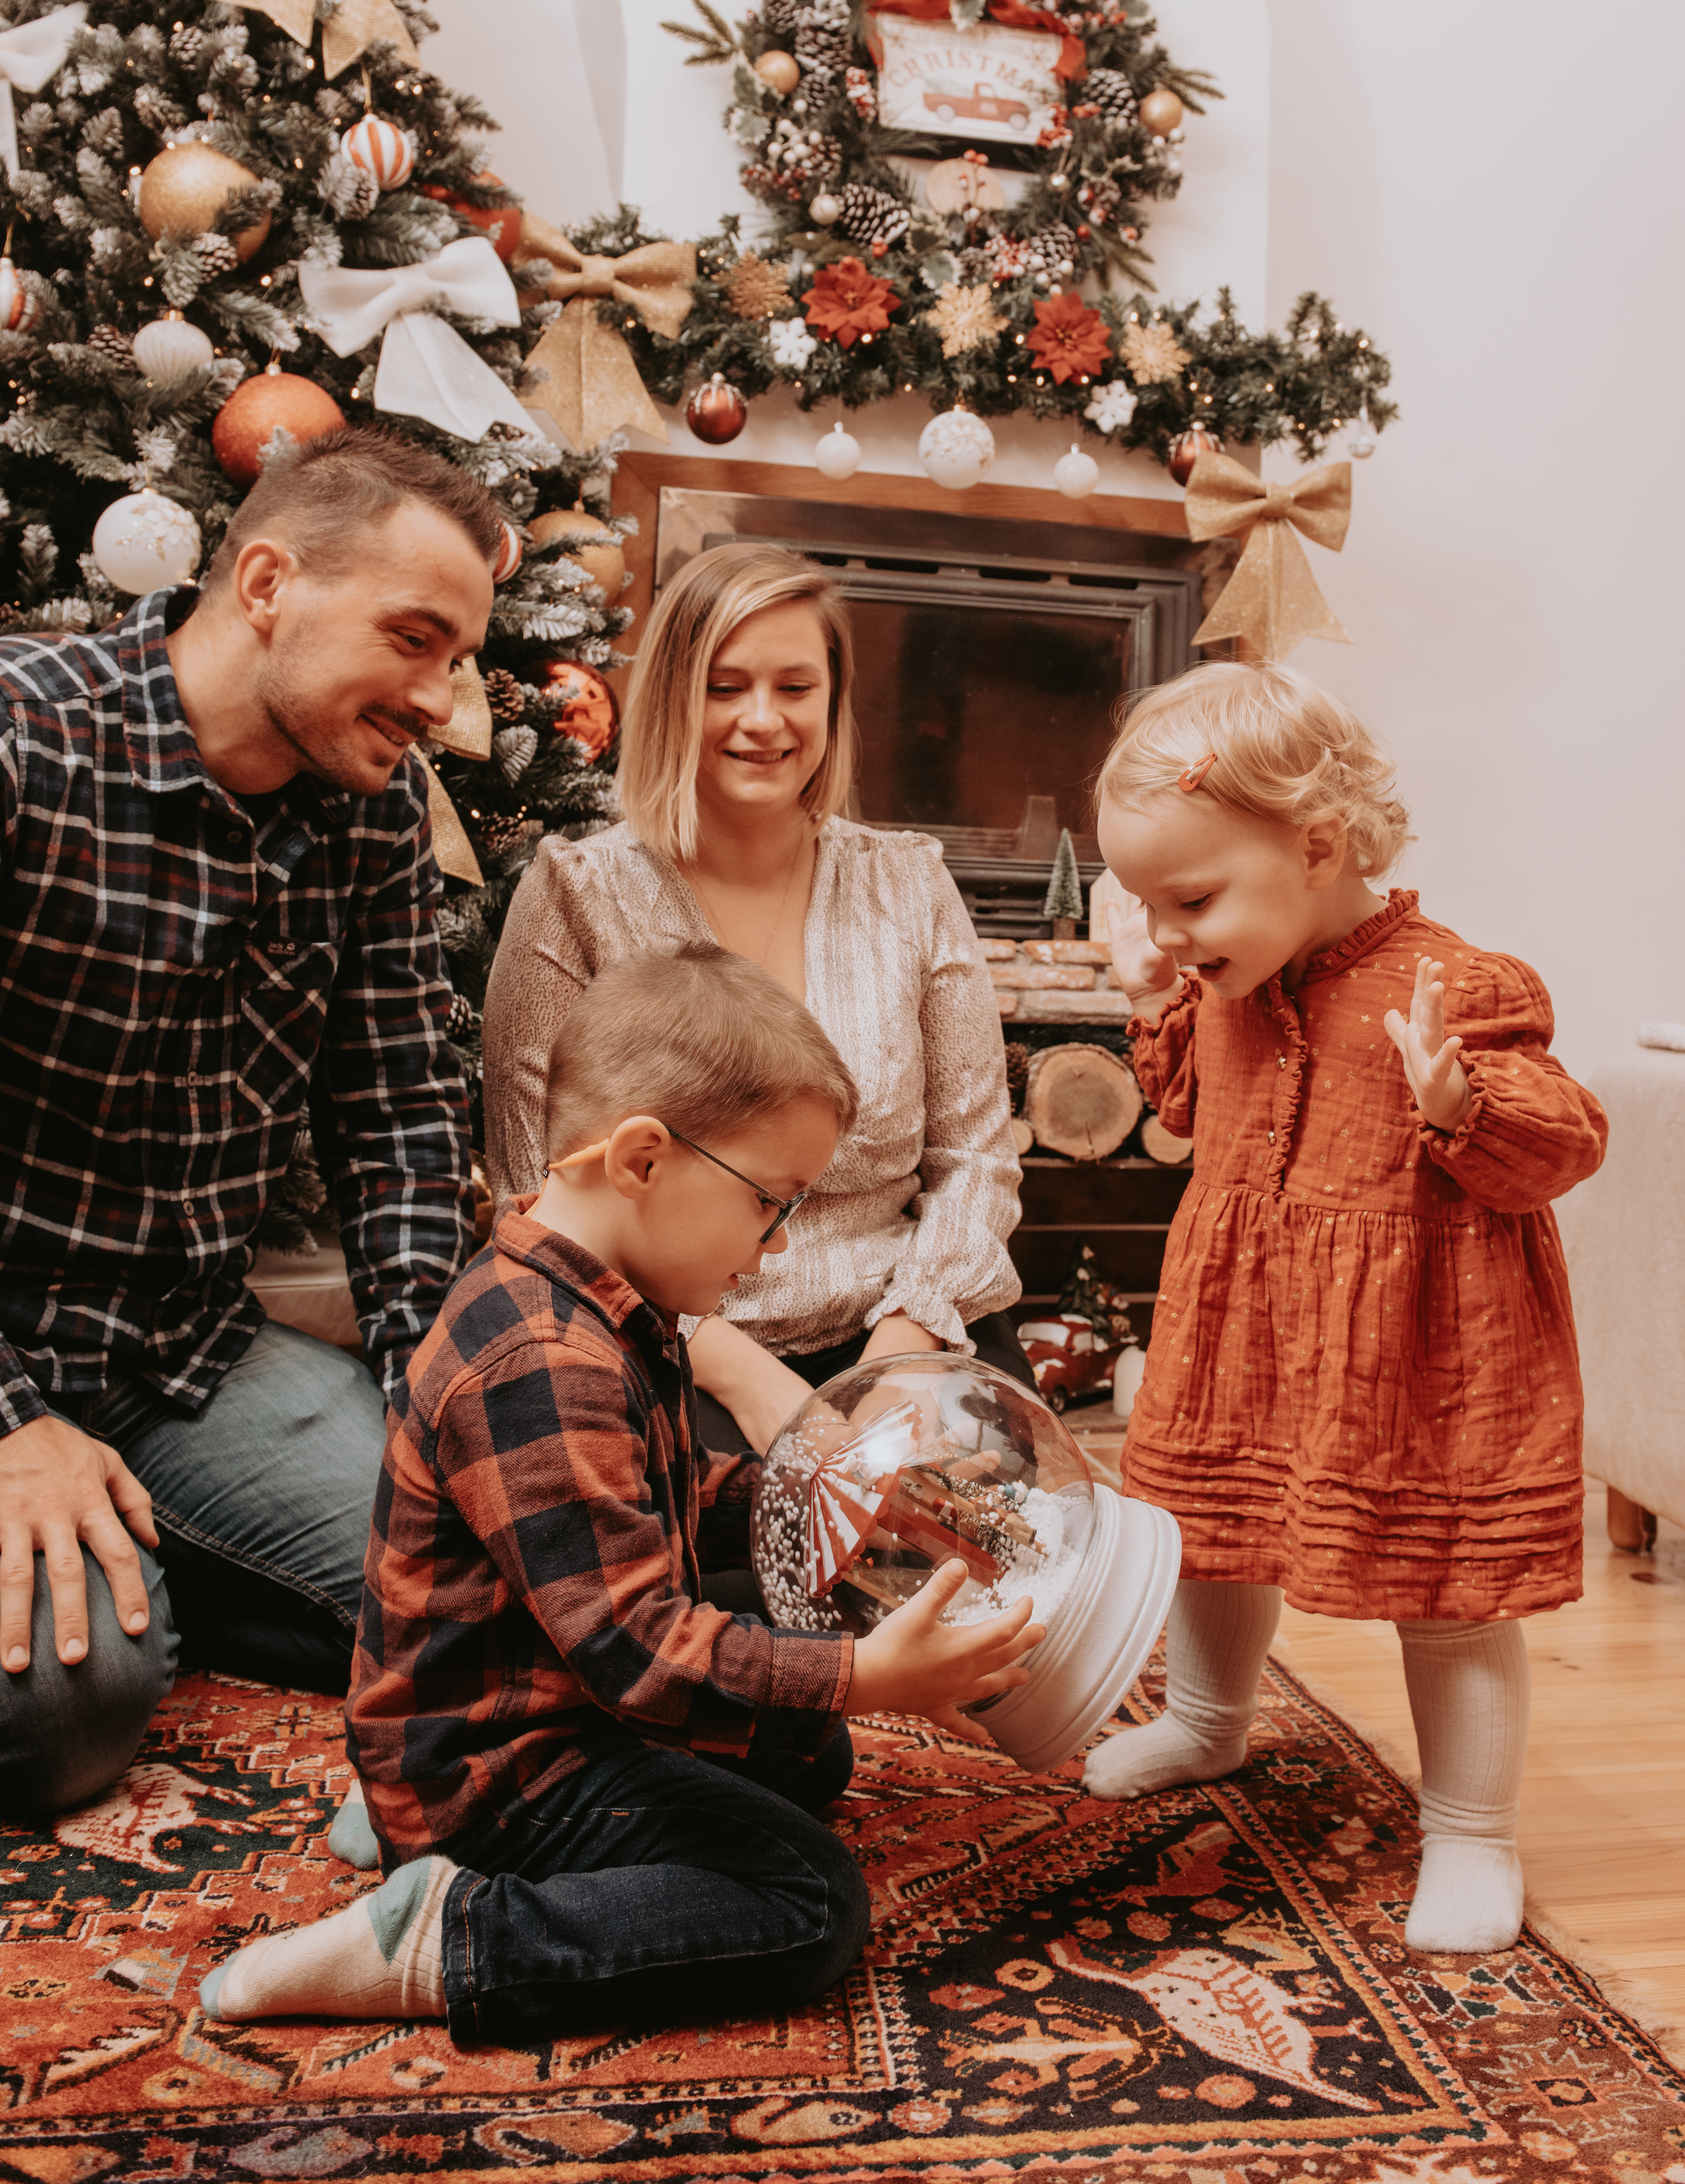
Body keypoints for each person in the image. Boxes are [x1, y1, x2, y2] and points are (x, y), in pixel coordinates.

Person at [199, 945, 1042, 2040]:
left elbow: (668, 1500)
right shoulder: (541, 1358)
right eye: (770, 1202)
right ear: (644, 1157)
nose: (775, 1243)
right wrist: (865, 1671)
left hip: (513, 1712)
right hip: (506, 1762)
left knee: (807, 1749)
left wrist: (848, 1498)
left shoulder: (593, 1307)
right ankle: (449, 1929)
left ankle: (412, 1820)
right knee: (809, 1899)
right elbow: (640, 1652)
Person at [0, 424, 497, 1812]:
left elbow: (401, 1125)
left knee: (488, 1598)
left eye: (456, 658)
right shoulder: (22, 738)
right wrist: (8, 1425)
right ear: (267, 582)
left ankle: (159, 1570)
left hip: (188, 1351)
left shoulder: (376, 811)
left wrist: (429, 1403)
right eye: (413, 639)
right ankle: (135, 1588)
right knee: (61, 1717)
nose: (442, 703)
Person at [1082, 661, 1606, 1955]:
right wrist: (1158, 994)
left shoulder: (1465, 986)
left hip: (1423, 1349)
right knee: (1215, 1525)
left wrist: (1458, 1105)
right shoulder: (1226, 984)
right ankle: (1209, 1720)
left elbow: (1568, 1142)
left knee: (1451, 1589)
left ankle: (1474, 1831)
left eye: (1190, 899)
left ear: (1316, 845)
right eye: (1150, 905)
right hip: (1248, 1320)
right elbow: (1195, 1109)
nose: (1169, 933)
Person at [482, 542, 1027, 1473]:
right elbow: (537, 1192)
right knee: (748, 1586)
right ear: (670, 698)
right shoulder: (574, 893)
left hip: (904, 1325)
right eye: (724, 686)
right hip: (665, 1349)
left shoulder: (912, 882)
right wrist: (736, 1372)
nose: (764, 720)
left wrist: (899, 1358)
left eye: (796, 687)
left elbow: (976, 1158)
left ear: (832, 700)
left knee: (1006, 1542)